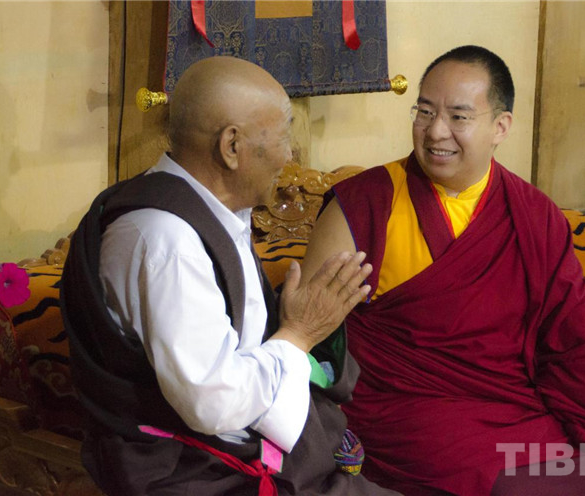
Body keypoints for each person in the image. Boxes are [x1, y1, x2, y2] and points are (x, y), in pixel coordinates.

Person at [301, 45, 585, 496]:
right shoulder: (365, 204)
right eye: (425, 112)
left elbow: (579, 333)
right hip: (411, 415)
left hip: (515, 409)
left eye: (459, 116)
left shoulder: (533, 215)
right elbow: (308, 333)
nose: (436, 131)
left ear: (500, 127)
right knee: (528, 488)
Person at [61, 56, 399, 496]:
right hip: (198, 470)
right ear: (231, 146)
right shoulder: (168, 241)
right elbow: (212, 403)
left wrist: (295, 325)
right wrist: (297, 334)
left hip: (239, 453)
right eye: (283, 137)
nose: (290, 155)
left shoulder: (207, 211)